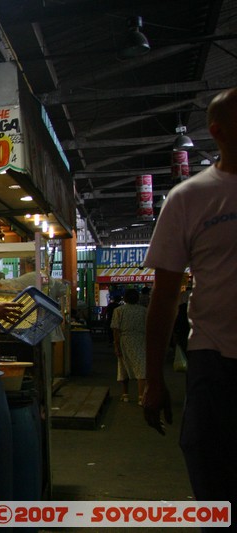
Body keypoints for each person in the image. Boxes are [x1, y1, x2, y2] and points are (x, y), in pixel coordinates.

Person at [143, 87, 237, 504]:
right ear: (218, 131)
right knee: (214, 476)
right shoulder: (189, 198)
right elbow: (164, 297)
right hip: (215, 361)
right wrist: (153, 380)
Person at [110, 288, 147, 404]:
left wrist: (116, 345)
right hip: (140, 340)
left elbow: (115, 329)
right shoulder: (144, 311)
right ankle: (141, 397)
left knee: (123, 367)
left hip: (124, 340)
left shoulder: (119, 310)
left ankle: (125, 394)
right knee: (141, 368)